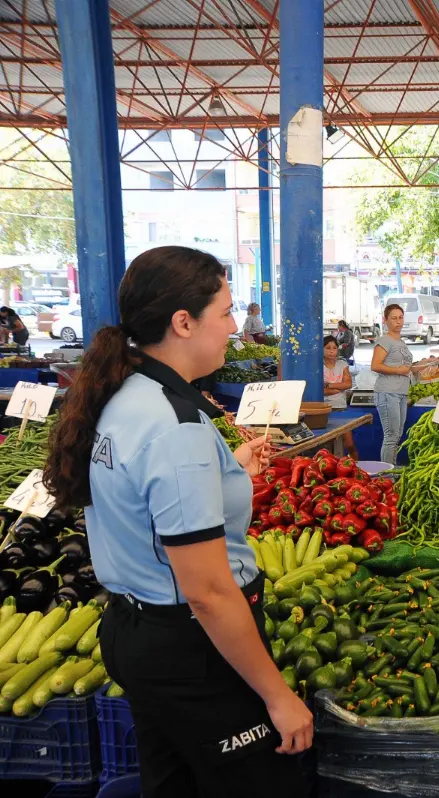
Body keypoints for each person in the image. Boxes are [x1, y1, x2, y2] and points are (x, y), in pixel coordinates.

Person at [41, 246, 311, 798]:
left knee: (174, 783)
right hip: (192, 651)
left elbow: (146, 494)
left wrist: (223, 469)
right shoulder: (176, 425)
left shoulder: (125, 394)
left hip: (133, 630)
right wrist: (277, 696)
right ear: (183, 322)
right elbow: (208, 592)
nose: (236, 328)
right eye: (228, 312)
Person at [372, 303, 414, 464]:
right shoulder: (385, 340)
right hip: (388, 393)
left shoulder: (401, 342)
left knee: (397, 435)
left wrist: (427, 363)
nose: (398, 322)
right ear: (385, 320)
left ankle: (391, 470)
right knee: (391, 436)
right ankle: (386, 476)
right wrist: (399, 370)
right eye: (394, 318)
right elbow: (375, 365)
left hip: (401, 393)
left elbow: (406, 367)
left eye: (401, 317)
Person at [323, 335, 358, 458]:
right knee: (328, 446)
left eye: (334, 348)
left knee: (349, 443)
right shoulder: (318, 367)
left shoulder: (342, 364)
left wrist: (329, 385)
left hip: (341, 409)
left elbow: (348, 384)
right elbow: (321, 391)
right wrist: (337, 388)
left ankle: (357, 468)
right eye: (328, 348)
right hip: (325, 411)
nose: (331, 351)